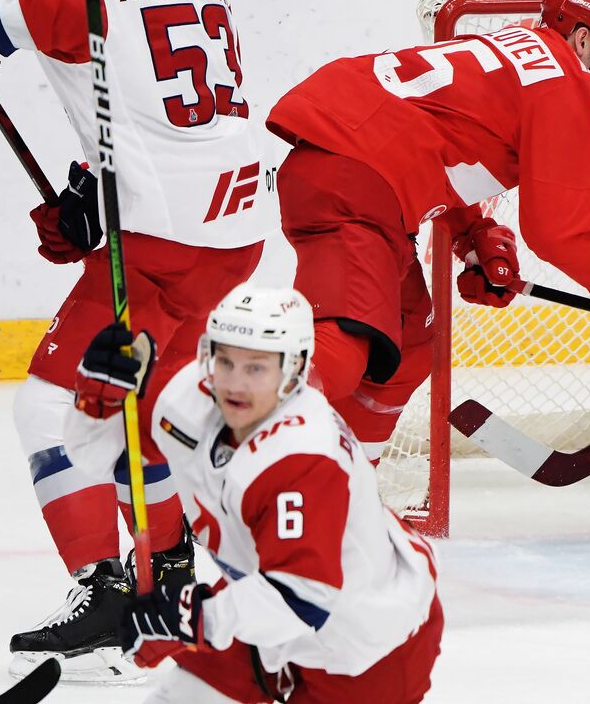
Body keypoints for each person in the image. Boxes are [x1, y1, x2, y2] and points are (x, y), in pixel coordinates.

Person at [0, 0, 273, 678]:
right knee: (147, 405)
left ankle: (106, 594)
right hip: (232, 232)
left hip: (161, 241)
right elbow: (150, 103)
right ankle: (167, 579)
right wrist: (90, 191)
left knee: (55, 409)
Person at [265, 0, 590, 464]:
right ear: (583, 39)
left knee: (408, 344)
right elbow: (563, 229)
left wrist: (473, 234)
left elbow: (432, 129)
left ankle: (344, 485)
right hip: (357, 181)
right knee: (343, 350)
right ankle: (226, 441)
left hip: (349, 168)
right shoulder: (571, 84)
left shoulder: (515, 47)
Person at [65, 286, 442, 703]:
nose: (235, 384)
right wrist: (96, 397)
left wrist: (188, 616)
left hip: (366, 645)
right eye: (225, 361)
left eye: (256, 368)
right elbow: (94, 458)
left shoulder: (302, 457)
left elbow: (303, 600)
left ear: (295, 368)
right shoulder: (188, 399)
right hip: (265, 612)